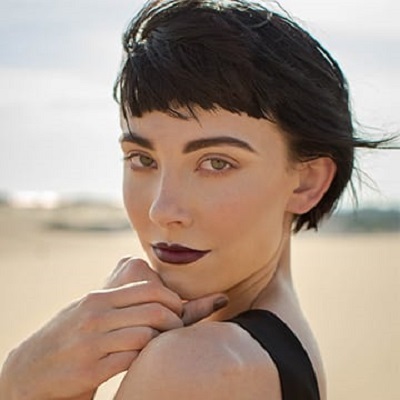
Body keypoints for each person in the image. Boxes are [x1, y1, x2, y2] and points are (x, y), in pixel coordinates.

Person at [0, 0, 389, 399]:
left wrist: (21, 383)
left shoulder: (196, 365)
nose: (162, 210)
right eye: (142, 159)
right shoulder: (277, 349)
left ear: (307, 182)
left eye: (217, 163)